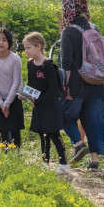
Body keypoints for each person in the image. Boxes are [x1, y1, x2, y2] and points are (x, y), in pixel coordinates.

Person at [60, 0, 104, 172]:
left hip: (77, 83)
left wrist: (65, 87)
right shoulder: (94, 28)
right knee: (93, 120)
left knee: (64, 114)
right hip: (97, 81)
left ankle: (78, 144)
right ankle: (94, 162)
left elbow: (67, 63)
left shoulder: (69, 32)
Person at [23, 32, 69, 175]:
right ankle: (46, 160)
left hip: (50, 105)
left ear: (39, 46)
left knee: (54, 133)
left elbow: (54, 89)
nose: (26, 51)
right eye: (25, 48)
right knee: (42, 134)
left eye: (28, 48)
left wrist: (41, 99)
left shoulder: (48, 65)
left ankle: (63, 163)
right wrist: (26, 94)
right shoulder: (30, 64)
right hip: (38, 105)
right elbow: (31, 84)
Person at [0, 28, 23, 149]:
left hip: (13, 98)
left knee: (15, 130)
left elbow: (16, 81)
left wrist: (7, 103)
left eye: (4, 40)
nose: (1, 43)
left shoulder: (15, 59)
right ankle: (5, 154)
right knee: (2, 130)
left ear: (9, 43)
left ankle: (16, 155)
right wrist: (1, 104)